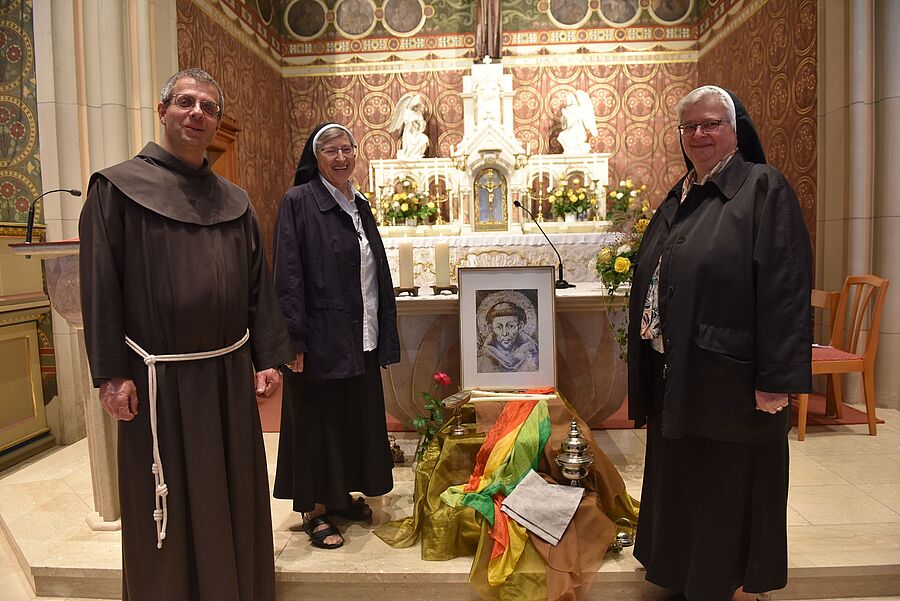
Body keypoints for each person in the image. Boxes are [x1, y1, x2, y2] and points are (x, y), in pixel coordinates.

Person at [79, 68, 294, 601]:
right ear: (163, 111)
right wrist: (110, 374)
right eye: (185, 102)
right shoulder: (116, 189)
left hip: (226, 376)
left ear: (217, 124)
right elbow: (99, 286)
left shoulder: (235, 201)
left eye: (209, 107)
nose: (198, 113)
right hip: (158, 381)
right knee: (167, 499)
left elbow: (257, 286)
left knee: (232, 491)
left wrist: (267, 356)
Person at [627, 85, 812, 601]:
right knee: (686, 477)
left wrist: (776, 379)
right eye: (689, 126)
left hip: (729, 375)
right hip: (679, 370)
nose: (699, 134)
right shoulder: (682, 192)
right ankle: (684, 573)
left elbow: (784, 286)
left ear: (735, 129)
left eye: (711, 124)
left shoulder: (762, 188)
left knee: (725, 484)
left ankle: (726, 582)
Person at [272, 122, 400, 550]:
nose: (341, 157)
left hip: (359, 332)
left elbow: (371, 270)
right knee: (318, 420)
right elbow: (288, 274)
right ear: (316, 156)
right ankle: (315, 508)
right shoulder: (299, 201)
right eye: (331, 150)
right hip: (320, 335)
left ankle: (340, 496)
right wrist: (293, 340)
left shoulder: (358, 202)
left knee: (351, 416)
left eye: (347, 149)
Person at [477, 301, 539, 373]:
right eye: (498, 327)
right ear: (491, 329)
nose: (504, 333)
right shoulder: (483, 359)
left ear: (520, 326)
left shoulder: (532, 356)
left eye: (511, 326)